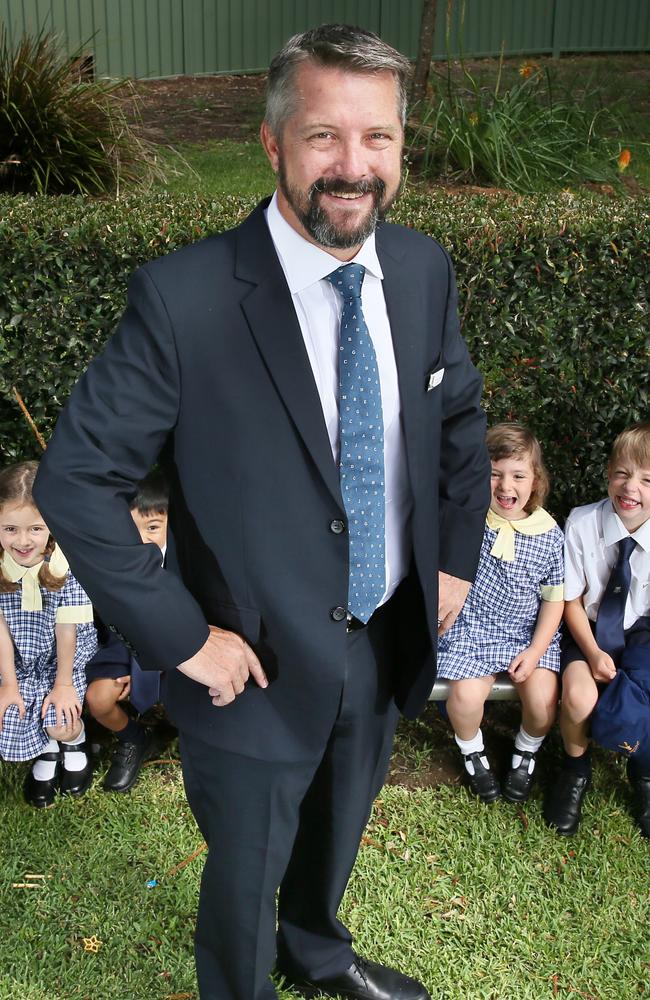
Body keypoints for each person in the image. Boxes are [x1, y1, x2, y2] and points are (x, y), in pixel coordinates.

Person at [34, 24, 490, 1000]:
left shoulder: (420, 270)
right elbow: (74, 480)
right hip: (247, 664)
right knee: (243, 874)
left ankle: (317, 949)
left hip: (381, 630)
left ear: (401, 148)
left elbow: (457, 416)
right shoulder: (182, 300)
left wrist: (453, 560)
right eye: (324, 136)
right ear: (272, 142)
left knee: (336, 824)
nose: (352, 165)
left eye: (377, 138)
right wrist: (182, 636)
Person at [436, 424, 564, 803]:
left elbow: (554, 600)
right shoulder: (468, 522)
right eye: (495, 474)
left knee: (542, 701)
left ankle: (525, 753)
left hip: (527, 636)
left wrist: (536, 650)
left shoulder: (549, 535)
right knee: (463, 700)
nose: (506, 487)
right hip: (473, 632)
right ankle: (473, 752)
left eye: (518, 476)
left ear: (535, 479)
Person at [544, 422, 650, 838]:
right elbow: (569, 599)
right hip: (583, 628)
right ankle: (575, 768)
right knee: (578, 696)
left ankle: (643, 774)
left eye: (646, 480)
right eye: (622, 473)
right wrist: (591, 653)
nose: (631, 488)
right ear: (608, 473)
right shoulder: (582, 522)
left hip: (641, 631)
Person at [0, 461, 97, 807]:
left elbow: (66, 630)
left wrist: (63, 685)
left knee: (61, 717)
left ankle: (74, 741)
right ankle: (48, 751)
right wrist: (9, 683)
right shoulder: (1, 566)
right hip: (20, 657)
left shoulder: (63, 567)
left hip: (64, 658)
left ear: (51, 527)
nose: (23, 541)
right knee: (13, 713)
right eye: (10, 528)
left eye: (35, 529)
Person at [84, 471, 169, 792]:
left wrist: (149, 665)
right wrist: (135, 664)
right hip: (121, 641)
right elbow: (109, 618)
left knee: (184, 698)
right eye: (133, 529)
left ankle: (190, 738)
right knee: (99, 698)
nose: (143, 538)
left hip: (171, 644)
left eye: (153, 527)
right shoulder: (112, 564)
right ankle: (135, 738)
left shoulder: (182, 563)